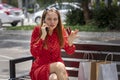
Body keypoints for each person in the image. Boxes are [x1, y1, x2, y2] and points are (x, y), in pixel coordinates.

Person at [30, 8, 79, 80]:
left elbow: (70, 52)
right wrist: (43, 36)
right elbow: (34, 53)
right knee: (59, 66)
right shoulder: (37, 30)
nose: (52, 22)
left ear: (58, 20)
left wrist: (70, 42)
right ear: (44, 20)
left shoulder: (60, 31)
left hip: (58, 70)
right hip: (41, 67)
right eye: (49, 19)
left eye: (55, 19)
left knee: (53, 78)